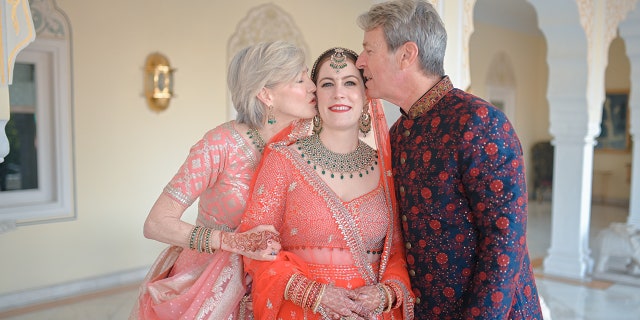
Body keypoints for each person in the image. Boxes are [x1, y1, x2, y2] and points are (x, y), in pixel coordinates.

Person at [355, 1, 543, 319]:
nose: (360, 62)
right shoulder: (399, 134)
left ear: (406, 55)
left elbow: (504, 243)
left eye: (368, 50)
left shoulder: (479, 122)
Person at [130, 40, 317, 320]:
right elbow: (156, 223)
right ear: (266, 95)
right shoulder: (221, 145)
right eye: (300, 79)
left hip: (283, 283)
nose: (313, 87)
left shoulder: (305, 145)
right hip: (209, 288)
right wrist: (233, 242)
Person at [239, 47, 414, 320]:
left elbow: (400, 252)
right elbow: (254, 244)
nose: (338, 93)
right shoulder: (283, 160)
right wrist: (312, 293)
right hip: (299, 312)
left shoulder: (388, 169)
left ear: (366, 95)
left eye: (350, 82)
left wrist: (387, 293)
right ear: (315, 95)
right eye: (327, 84)